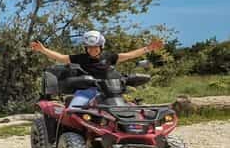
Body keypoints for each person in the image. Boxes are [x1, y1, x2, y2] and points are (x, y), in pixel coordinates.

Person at [30, 30, 164, 107]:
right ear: (85, 48)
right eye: (89, 47)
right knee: (73, 110)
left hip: (110, 91)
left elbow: (129, 55)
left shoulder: (109, 57)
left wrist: (148, 48)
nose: (92, 50)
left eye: (95, 47)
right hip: (87, 91)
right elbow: (61, 58)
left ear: (101, 46)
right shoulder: (81, 58)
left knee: (131, 109)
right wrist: (43, 50)